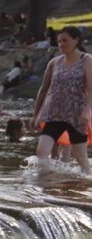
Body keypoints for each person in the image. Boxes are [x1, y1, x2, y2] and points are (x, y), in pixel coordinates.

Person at [31, 26, 92, 173]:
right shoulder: (54, 62)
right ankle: (46, 186)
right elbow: (44, 89)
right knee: (42, 152)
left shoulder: (87, 60)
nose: (61, 44)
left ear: (76, 40)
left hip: (76, 116)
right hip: (53, 114)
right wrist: (36, 114)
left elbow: (91, 88)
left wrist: (86, 111)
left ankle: (85, 188)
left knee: (81, 159)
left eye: (65, 40)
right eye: (59, 42)